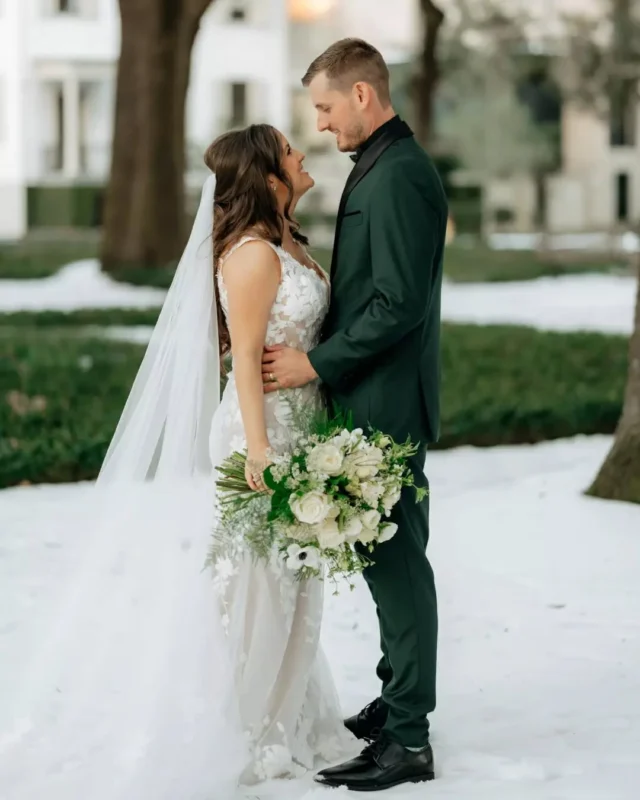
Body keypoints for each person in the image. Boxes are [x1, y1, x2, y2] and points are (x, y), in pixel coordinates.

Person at [0, 124, 355, 798]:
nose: (302, 153)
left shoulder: (288, 245)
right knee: (257, 584)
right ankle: (246, 722)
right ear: (265, 172)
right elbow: (245, 357)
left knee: (292, 580)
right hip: (264, 435)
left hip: (302, 427)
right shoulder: (252, 255)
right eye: (287, 149)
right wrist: (259, 448)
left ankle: (285, 713)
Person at [262, 38, 447, 792]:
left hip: (385, 400)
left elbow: (397, 303)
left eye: (328, 107)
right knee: (387, 560)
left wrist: (317, 363)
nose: (323, 124)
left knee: (397, 567)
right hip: (375, 396)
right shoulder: (381, 165)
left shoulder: (399, 175)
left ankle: (408, 739)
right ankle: (398, 696)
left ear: (364, 96)